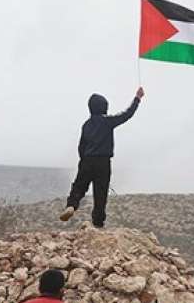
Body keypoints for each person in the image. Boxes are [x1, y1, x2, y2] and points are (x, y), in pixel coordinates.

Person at [59, 87, 143, 228]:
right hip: (103, 162)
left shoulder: (86, 125)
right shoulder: (108, 121)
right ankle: (98, 222)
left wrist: (83, 162)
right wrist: (137, 98)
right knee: (100, 193)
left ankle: (72, 205)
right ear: (104, 107)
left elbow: (81, 146)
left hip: (87, 160)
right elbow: (126, 115)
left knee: (78, 187)